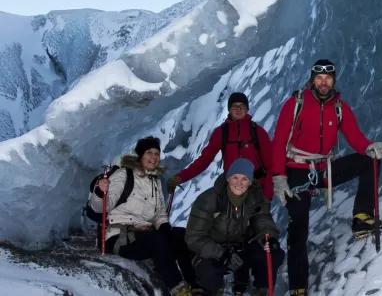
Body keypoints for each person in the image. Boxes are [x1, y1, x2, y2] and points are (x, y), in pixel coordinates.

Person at [271, 59, 382, 295]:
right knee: (299, 227)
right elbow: (279, 142)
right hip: (297, 170)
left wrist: (369, 147)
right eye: (319, 78)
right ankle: (298, 288)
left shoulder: (339, 107)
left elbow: (354, 136)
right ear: (313, 80)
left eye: (328, 78)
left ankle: (361, 218)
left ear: (333, 80)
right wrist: (279, 177)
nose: (323, 82)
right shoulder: (296, 104)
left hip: (324, 169)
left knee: (370, 161)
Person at [90, 136, 196, 296]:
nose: (154, 157)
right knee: (156, 240)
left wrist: (165, 227)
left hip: (143, 234)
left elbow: (159, 212)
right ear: (140, 156)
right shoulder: (123, 175)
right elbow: (101, 207)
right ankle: (179, 289)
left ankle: (194, 284)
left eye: (156, 153)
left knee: (180, 235)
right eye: (149, 152)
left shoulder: (155, 180)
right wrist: (100, 192)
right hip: (120, 236)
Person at [185, 158, 284, 296]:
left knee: (273, 254)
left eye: (244, 179)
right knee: (210, 272)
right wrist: (222, 254)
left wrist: (269, 238)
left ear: (250, 182)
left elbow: (262, 220)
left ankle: (261, 291)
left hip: (239, 247)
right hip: (211, 250)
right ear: (228, 178)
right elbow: (194, 237)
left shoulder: (254, 197)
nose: (239, 183)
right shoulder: (209, 199)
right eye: (235, 177)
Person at [167, 92, 273, 200]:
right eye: (235, 106)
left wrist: (267, 192)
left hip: (256, 185)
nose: (238, 109)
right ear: (229, 109)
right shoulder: (222, 132)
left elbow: (270, 164)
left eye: (242, 106)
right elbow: (204, 160)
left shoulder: (257, 132)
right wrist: (180, 177)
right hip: (232, 187)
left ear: (246, 109)